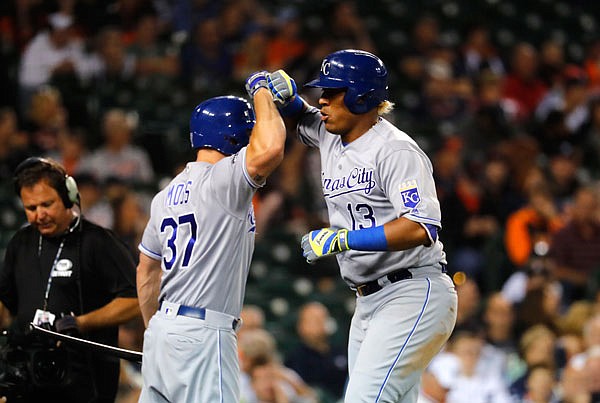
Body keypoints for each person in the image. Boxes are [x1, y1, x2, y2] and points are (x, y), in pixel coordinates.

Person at [266, 49, 458, 402]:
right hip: (369, 300)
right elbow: (303, 117)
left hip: (412, 291)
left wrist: (344, 239)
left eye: (332, 92)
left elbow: (420, 227)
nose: (321, 100)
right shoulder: (331, 133)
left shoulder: (396, 150)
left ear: (362, 96)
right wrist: (288, 98)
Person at [136, 71, 286, 402]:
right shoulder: (224, 181)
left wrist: (157, 331)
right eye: (248, 135)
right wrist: (261, 89)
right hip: (204, 335)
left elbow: (146, 272)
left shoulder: (165, 195)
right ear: (235, 139)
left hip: (162, 330)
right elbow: (272, 147)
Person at [0, 156, 140, 402]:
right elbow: (6, 304)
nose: (39, 215)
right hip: (31, 376)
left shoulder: (98, 242)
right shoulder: (20, 243)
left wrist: (82, 323)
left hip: (86, 376)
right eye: (31, 208)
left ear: (68, 197)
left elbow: (134, 301)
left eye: (47, 204)